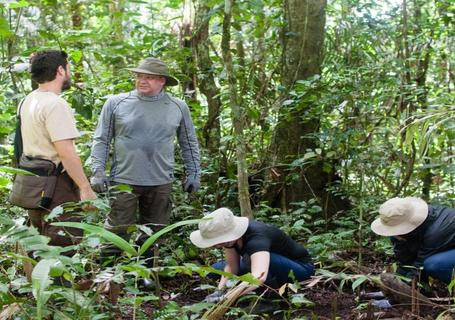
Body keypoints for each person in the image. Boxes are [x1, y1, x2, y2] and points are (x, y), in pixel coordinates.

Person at [90, 57, 200, 252]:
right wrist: (97, 170)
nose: (142, 80)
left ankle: (148, 276)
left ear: (162, 81)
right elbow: (101, 139)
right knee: (116, 232)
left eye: (149, 77)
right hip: (123, 179)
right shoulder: (116, 103)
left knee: (155, 235)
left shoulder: (177, 106)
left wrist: (194, 173)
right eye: (139, 76)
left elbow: (188, 142)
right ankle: (109, 276)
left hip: (160, 181)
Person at [21, 50, 97, 246]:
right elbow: (66, 152)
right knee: (62, 246)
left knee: (38, 247)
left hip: (33, 184)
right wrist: (85, 188)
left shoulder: (29, 99)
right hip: (56, 187)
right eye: (68, 68)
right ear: (60, 70)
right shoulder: (55, 104)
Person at [190, 208, 314, 301]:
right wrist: (220, 290)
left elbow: (259, 276)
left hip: (301, 268)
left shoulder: (256, 239)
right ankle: (246, 288)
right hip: (268, 263)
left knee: (249, 261)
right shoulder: (231, 240)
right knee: (215, 270)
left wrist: (228, 297)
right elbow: (232, 266)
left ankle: (269, 299)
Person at [371, 197, 455, 284]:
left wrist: (404, 290)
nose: (395, 234)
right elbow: (404, 261)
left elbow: (420, 266)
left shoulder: (436, 232)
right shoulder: (408, 231)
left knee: (433, 265)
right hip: (444, 246)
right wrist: (396, 283)